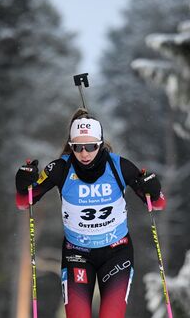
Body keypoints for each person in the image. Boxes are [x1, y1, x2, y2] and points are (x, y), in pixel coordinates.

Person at [15, 108, 166, 318]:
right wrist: (23, 183)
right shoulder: (60, 169)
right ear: (71, 146)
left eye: (91, 146)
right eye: (77, 147)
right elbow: (24, 201)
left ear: (101, 143)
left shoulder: (119, 166)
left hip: (116, 253)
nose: (84, 153)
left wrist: (154, 190)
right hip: (77, 254)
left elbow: (157, 204)